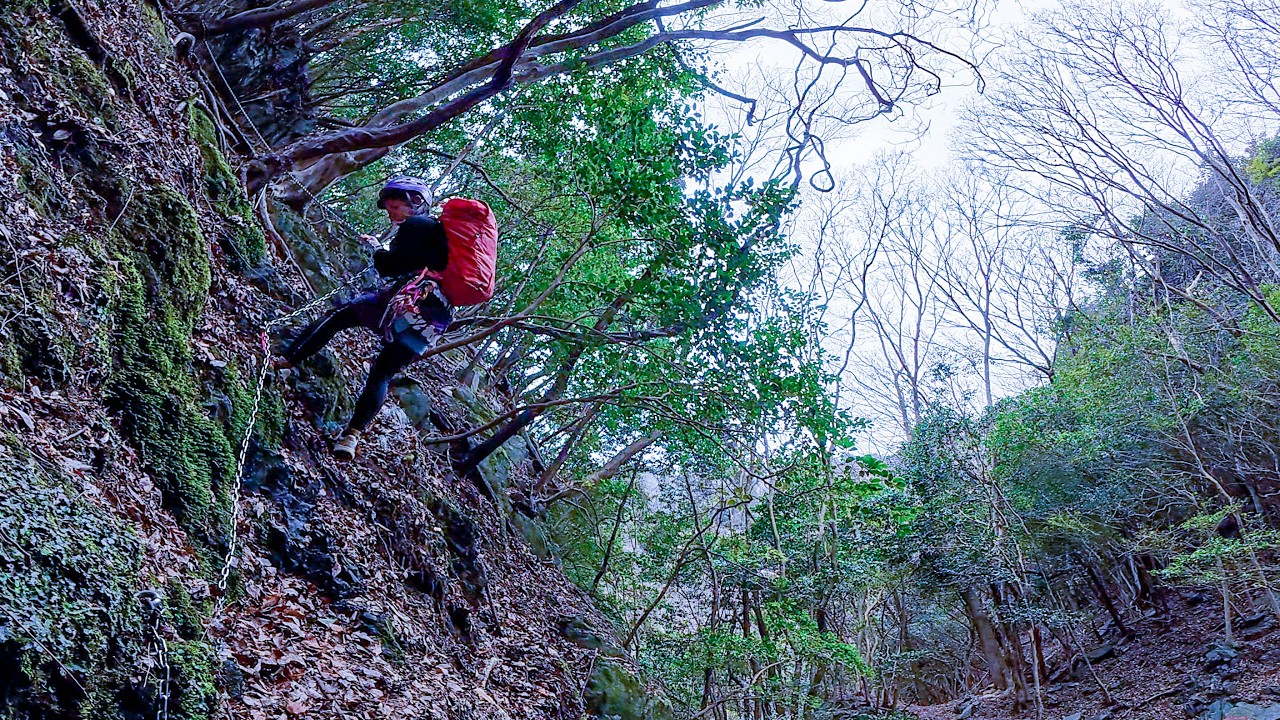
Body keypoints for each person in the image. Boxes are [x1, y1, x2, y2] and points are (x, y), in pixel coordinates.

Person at [275, 180, 451, 460]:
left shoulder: (416, 225)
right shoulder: (442, 236)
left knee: (339, 317)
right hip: (437, 317)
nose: (391, 214)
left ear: (416, 203)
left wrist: (377, 248)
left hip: (409, 300)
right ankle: (351, 436)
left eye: (395, 207)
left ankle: (287, 360)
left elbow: (390, 266)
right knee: (382, 373)